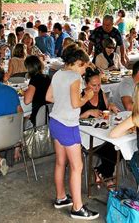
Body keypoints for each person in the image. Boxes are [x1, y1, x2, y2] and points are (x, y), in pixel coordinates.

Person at [45, 44, 99, 220]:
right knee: (77, 166)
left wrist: (66, 99)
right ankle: (77, 207)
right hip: (68, 125)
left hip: (55, 121)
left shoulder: (58, 73)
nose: (84, 71)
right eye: (83, 66)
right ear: (77, 63)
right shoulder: (75, 77)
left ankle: (61, 197)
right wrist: (87, 97)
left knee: (61, 162)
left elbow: (49, 97)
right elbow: (77, 103)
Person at [80, 67, 120, 187]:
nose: (97, 88)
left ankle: (100, 171)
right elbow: (73, 119)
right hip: (86, 134)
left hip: (101, 130)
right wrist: (88, 112)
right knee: (111, 148)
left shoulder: (101, 93)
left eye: (99, 84)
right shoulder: (80, 97)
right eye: (94, 85)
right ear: (86, 84)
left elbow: (107, 107)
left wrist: (111, 106)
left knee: (119, 147)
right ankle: (107, 175)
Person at [22, 55, 51, 126]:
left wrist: (25, 92)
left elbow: (27, 101)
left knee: (20, 119)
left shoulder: (34, 80)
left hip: (38, 117)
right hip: (48, 114)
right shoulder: (47, 78)